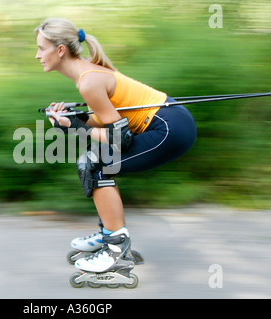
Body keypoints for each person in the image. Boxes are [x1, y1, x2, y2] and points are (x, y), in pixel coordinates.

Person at [34, 18, 196, 274]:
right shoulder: (86, 74)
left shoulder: (89, 81)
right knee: (94, 161)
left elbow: (121, 139)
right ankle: (109, 233)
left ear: (60, 50)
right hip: (170, 120)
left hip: (170, 129)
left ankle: (115, 246)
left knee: (95, 164)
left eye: (42, 48)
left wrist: (73, 126)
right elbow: (107, 120)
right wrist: (74, 119)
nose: (37, 55)